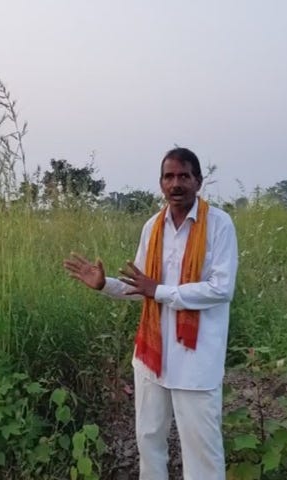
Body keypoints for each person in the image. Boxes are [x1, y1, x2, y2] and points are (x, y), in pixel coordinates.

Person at [63, 147, 239, 479]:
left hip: (196, 360)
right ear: (160, 183)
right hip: (152, 358)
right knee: (148, 441)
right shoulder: (153, 227)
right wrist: (105, 285)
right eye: (169, 176)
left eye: (184, 176)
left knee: (201, 451)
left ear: (198, 181)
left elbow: (221, 289)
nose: (176, 184)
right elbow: (141, 287)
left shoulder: (219, 224)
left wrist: (159, 290)